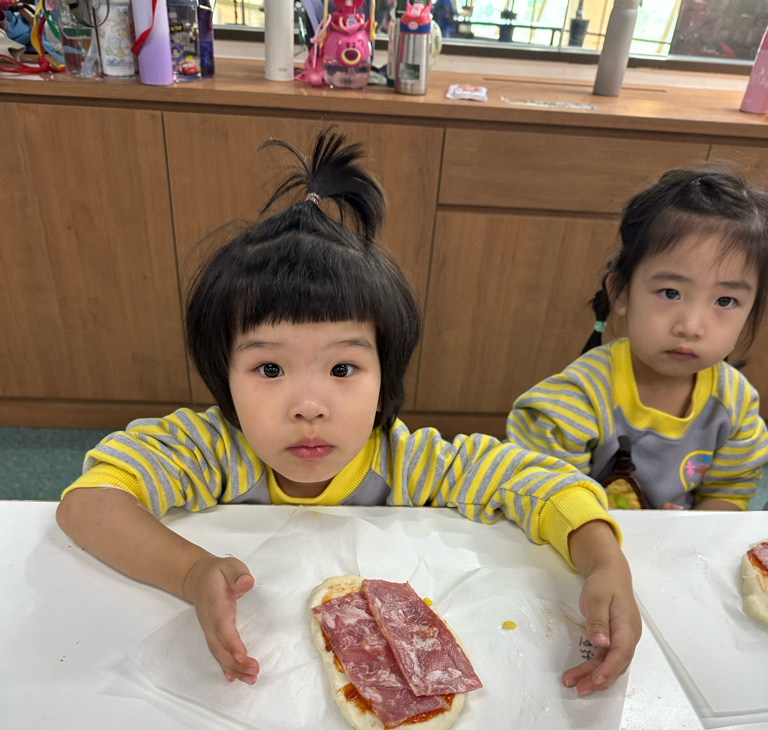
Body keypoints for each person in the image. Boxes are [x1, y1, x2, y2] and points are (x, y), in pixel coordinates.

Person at [57, 129, 640, 697]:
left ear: (384, 380)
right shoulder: (209, 451)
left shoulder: (408, 462)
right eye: (269, 369)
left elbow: (542, 485)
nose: (309, 407)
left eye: (342, 368)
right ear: (223, 377)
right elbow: (89, 504)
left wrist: (604, 563)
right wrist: (190, 572)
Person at [507, 166, 768, 512]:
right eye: (670, 292)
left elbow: (730, 490)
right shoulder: (577, 400)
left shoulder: (736, 402)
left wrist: (690, 527)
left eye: (725, 301)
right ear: (621, 292)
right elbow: (543, 497)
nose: (691, 327)